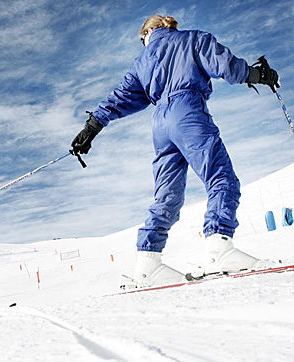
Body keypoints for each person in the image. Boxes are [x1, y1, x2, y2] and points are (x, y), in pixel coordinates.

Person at [71, 15, 279, 288]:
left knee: (167, 194)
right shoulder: (192, 39)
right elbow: (225, 66)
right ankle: (218, 248)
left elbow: (121, 97)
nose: (144, 43)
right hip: (187, 109)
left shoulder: (142, 62)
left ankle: (148, 263)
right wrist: (258, 75)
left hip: (160, 123)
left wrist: (92, 126)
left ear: (148, 32)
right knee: (221, 176)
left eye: (141, 38)